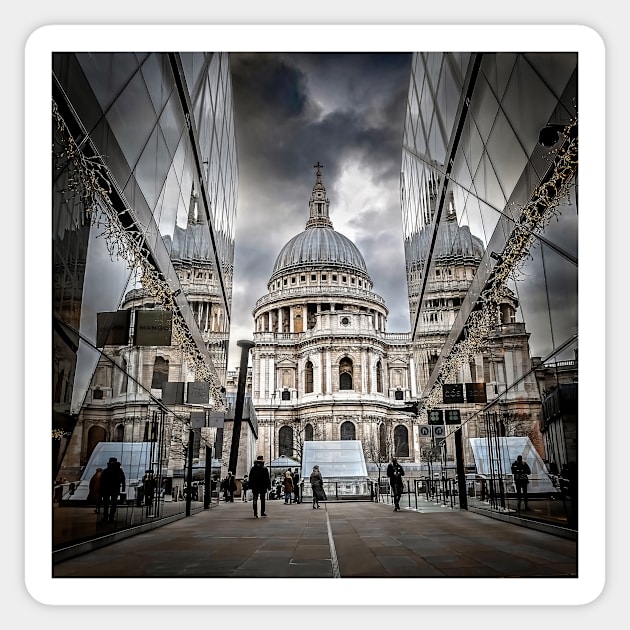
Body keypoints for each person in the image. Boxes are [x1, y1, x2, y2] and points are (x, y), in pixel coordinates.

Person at [100, 457, 126, 523]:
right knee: (113, 503)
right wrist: (123, 488)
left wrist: (102, 489)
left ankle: (105, 517)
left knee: (106, 503)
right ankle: (111, 517)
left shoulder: (106, 470)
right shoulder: (119, 470)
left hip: (107, 489)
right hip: (115, 488)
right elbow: (123, 479)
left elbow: (102, 480)